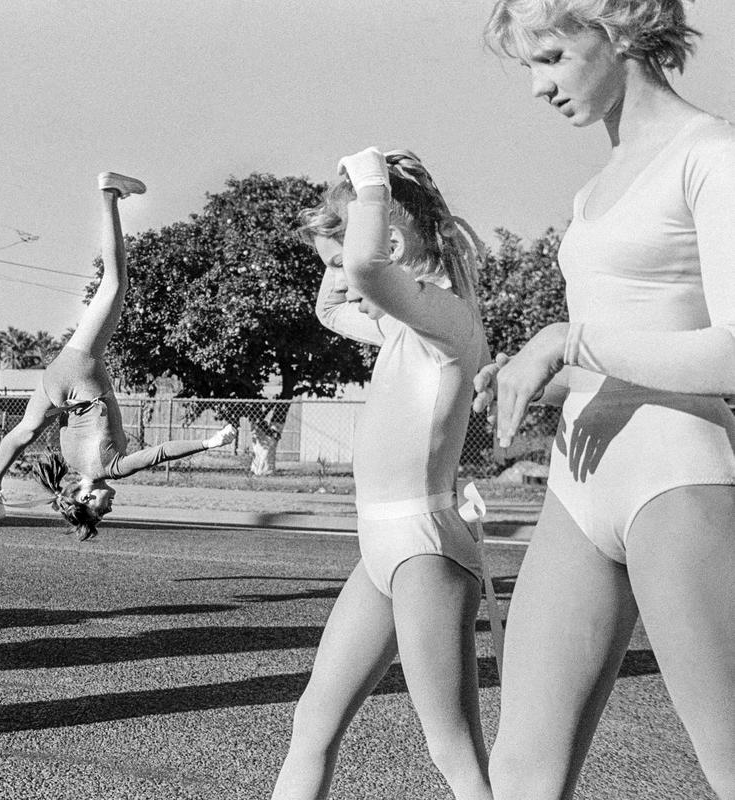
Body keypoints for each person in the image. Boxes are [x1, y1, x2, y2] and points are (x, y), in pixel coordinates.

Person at [476, 2, 735, 797]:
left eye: (549, 57)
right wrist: (529, 379)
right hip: (576, 485)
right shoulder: (593, 188)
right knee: (520, 769)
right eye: (528, 65)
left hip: (676, 481)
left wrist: (567, 339)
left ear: (616, 32)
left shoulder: (713, 154)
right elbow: (617, 345)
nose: (535, 86)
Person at [271, 149, 492, 800]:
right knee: (312, 720)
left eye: (343, 261)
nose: (338, 276)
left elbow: (364, 270)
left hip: (423, 548)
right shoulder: (402, 325)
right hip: (382, 550)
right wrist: (329, 240)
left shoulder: (447, 323)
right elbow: (331, 309)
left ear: (388, 240)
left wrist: (368, 185)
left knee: (452, 749)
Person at [0, 173, 237, 540]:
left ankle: (109, 194)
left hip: (79, 368)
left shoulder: (112, 469)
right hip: (58, 383)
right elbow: (58, 424)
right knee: (26, 430)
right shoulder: (69, 460)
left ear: (84, 495)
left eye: (99, 510)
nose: (108, 509)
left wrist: (209, 443)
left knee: (115, 283)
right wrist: (65, 406)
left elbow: (159, 453)